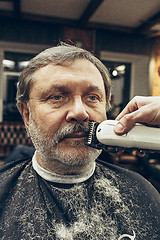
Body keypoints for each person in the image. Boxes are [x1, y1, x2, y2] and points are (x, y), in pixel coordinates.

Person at [0, 43, 159, 240]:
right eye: (57, 97)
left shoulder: (141, 192)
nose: (80, 113)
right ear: (26, 114)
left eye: (92, 97)